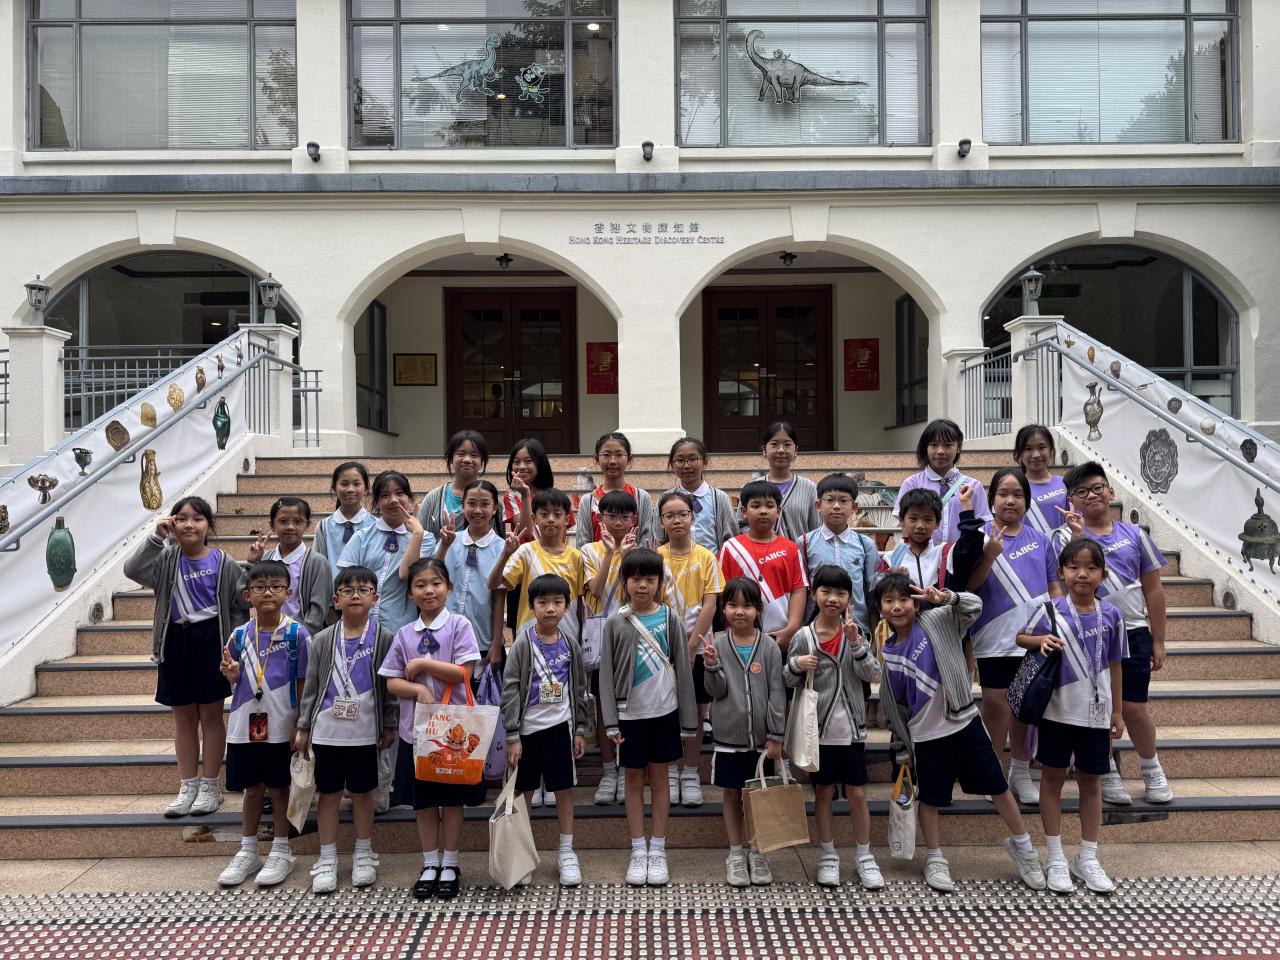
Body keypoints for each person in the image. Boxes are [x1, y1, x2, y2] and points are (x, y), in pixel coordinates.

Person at [874, 573, 1046, 894]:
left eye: (904, 599)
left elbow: (975, 606)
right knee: (931, 798)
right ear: (880, 608)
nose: (897, 606)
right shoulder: (890, 654)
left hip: (964, 722)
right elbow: (896, 707)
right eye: (889, 601)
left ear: (916, 602)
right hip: (925, 736)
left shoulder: (939, 619)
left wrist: (947, 597)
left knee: (998, 785)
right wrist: (903, 747)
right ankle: (935, 857)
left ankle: (1024, 847)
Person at [1053, 461, 1172, 806]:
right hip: (1086, 637)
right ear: (1072, 499)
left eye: (1096, 488)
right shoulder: (1063, 537)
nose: (1091, 495)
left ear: (1110, 491)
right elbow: (1063, 584)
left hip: (1132, 632)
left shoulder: (1135, 535)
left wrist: (1159, 639)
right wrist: (1077, 536)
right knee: (1098, 707)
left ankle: (1152, 770)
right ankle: (1106, 772)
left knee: (1134, 708)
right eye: (1081, 491)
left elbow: (1153, 589)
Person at [123, 496, 248, 819]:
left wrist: (253, 566)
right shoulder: (166, 558)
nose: (189, 524)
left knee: (211, 717)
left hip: (211, 641)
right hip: (175, 641)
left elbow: (241, 602)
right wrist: (156, 536)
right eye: (181, 518)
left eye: (197, 518)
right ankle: (188, 785)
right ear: (173, 524)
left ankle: (210, 786)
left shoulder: (223, 562)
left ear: (209, 525)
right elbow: (133, 569)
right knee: (183, 719)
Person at [1017, 538, 1128, 895]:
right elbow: (1020, 637)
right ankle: (1055, 856)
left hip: (1096, 714)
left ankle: (1088, 857)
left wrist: (1118, 711)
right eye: (1074, 567)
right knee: (1051, 779)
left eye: (1091, 568)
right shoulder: (1050, 609)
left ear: (1103, 575)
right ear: (1062, 572)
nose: (1082, 574)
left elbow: (1116, 664)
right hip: (1056, 711)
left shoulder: (1112, 615)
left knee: (1091, 782)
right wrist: (1039, 641)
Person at [378, 558, 483, 901]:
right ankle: (429, 863)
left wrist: (423, 664)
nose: (428, 591)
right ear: (410, 593)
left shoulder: (459, 625)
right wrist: (418, 689)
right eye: (420, 585)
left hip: (453, 736)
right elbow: (392, 681)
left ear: (449, 588)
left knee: (451, 801)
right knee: (422, 803)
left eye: (436, 583)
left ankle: (450, 862)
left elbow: (464, 672)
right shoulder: (404, 634)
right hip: (417, 733)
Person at [293, 565, 398, 894]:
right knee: (329, 796)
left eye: (363, 590)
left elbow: (389, 688)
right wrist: (303, 725)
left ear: (375, 598)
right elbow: (311, 687)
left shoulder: (384, 638)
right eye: (348, 590)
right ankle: (327, 857)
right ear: (335, 599)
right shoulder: (322, 639)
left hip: (365, 733)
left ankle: (364, 852)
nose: (355, 595)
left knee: (363, 795)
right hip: (327, 732)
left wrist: (390, 723)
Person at [599, 548, 700, 888]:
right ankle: (637, 849)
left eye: (649, 579)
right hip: (629, 716)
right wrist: (611, 722)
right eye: (635, 578)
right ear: (624, 581)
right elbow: (605, 675)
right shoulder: (615, 621)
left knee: (660, 779)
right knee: (632, 780)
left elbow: (683, 668)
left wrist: (688, 719)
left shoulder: (670, 618)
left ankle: (658, 848)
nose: (642, 585)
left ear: (660, 582)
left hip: (664, 713)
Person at [784, 565, 883, 890]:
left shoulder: (857, 632)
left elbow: (873, 674)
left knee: (857, 793)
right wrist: (797, 664)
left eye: (840, 593)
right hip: (818, 732)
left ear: (849, 598)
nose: (832, 598)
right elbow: (787, 678)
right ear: (814, 594)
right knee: (824, 792)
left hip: (852, 730)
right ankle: (828, 855)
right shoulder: (804, 636)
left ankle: (864, 856)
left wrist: (856, 645)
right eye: (825, 591)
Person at [965, 467, 1057, 806]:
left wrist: (1061, 620)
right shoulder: (977, 536)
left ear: (1027, 501)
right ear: (991, 499)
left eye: (1018, 495)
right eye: (1003, 494)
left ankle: (1020, 770)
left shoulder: (1041, 540)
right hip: (993, 634)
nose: (1010, 500)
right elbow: (969, 585)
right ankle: (994, 772)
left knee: (1026, 705)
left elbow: (1054, 585)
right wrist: (989, 554)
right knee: (995, 704)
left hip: (1036, 634)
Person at [215, 560, 311, 888]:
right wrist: (232, 676)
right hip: (245, 726)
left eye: (275, 586)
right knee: (252, 788)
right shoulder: (240, 635)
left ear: (288, 593)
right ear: (247, 595)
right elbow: (235, 679)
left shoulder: (297, 634)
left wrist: (301, 724)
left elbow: (305, 683)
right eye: (259, 587)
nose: (267, 592)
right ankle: (248, 850)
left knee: (280, 788)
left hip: (282, 726)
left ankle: (282, 850)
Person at [500, 573, 590, 888]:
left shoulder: (570, 644)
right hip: (527, 733)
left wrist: (579, 729)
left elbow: (579, 689)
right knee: (525, 793)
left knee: (563, 791)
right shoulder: (522, 643)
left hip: (560, 729)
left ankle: (566, 851)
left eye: (557, 602)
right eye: (542, 602)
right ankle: (524, 854)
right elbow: (510, 690)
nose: (550, 608)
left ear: (567, 607)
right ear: (531, 606)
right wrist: (512, 735)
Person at [701, 577, 784, 888]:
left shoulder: (770, 646)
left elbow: (777, 692)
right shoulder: (719, 645)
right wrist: (711, 666)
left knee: (758, 796)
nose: (740, 611)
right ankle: (735, 853)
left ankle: (757, 851)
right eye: (733, 605)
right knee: (732, 793)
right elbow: (716, 691)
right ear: (723, 609)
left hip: (762, 742)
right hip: (728, 739)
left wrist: (776, 734)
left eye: (747, 605)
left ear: (758, 609)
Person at [657, 490, 724, 809]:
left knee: (696, 710)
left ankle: (691, 773)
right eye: (669, 516)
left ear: (692, 517)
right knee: (666, 710)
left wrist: (693, 643)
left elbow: (711, 604)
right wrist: (674, 642)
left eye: (682, 514)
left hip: (698, 647)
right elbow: (651, 602)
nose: (677, 520)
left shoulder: (706, 557)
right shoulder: (656, 558)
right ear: (661, 521)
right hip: (662, 646)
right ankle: (671, 771)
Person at [580, 489, 639, 808]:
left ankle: (627, 769)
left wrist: (626, 556)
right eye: (611, 515)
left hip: (634, 637)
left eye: (624, 516)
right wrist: (609, 554)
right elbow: (597, 589)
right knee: (604, 707)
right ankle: (607, 771)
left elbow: (637, 593)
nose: (617, 522)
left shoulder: (640, 552)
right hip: (601, 637)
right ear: (600, 518)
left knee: (631, 705)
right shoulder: (588, 551)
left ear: (633, 520)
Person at [338, 470, 438, 633]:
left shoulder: (425, 538)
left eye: (399, 493)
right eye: (385, 495)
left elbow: (407, 575)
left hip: (400, 628)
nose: (393, 500)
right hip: (360, 626)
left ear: (409, 498)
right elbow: (346, 581)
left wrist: (416, 535)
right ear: (376, 502)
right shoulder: (362, 537)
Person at [717, 480, 808, 650]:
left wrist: (791, 628)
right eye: (756, 506)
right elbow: (722, 592)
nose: (763, 511)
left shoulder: (791, 548)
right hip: (739, 638)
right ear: (744, 511)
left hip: (780, 637)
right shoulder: (730, 548)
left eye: (770, 506)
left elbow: (798, 589)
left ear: (778, 511)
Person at [494, 488, 585, 645]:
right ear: (533, 518)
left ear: (567, 519)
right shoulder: (525, 552)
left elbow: (579, 604)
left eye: (557, 514)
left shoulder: (576, 556)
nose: (551, 519)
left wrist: (581, 636)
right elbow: (495, 584)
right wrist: (505, 555)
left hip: (568, 638)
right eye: (544, 514)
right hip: (530, 640)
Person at [437, 479, 507, 668]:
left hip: (481, 639)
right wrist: (444, 546)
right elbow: (432, 576)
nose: (477, 510)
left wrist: (496, 643)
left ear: (494, 509)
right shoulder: (450, 539)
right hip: (444, 635)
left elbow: (499, 598)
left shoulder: (502, 548)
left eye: (484, 504)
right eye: (471, 503)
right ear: (463, 507)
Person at [798, 473, 880, 635]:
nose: (836, 506)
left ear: (854, 506)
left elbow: (872, 594)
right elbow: (801, 591)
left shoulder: (866, 545)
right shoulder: (804, 542)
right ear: (818, 505)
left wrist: (874, 635)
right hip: (816, 631)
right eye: (829, 500)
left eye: (843, 501)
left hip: (858, 628)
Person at [892, 418, 991, 544]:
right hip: (924, 555)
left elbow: (983, 527)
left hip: (961, 555)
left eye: (948, 445)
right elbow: (905, 528)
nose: (940, 451)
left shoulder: (973, 486)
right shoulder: (912, 484)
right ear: (925, 447)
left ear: (958, 447)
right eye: (933, 445)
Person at [249, 496, 333, 637]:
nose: (290, 527)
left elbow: (318, 610)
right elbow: (244, 599)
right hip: (265, 637)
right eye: (283, 521)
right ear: (272, 525)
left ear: (307, 525)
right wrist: (251, 563)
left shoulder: (317, 562)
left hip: (299, 639)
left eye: (298, 521)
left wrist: (299, 637)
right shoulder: (264, 558)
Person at [576, 431, 658, 547]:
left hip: (634, 559)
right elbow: (583, 544)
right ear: (597, 459)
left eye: (619, 455)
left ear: (629, 459)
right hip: (598, 559)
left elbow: (646, 540)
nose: (613, 461)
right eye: (606, 455)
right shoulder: (587, 500)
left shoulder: (641, 497)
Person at [665, 436, 739, 551]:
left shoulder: (720, 498)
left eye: (693, 459)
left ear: (704, 462)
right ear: (672, 465)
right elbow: (658, 537)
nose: (686, 465)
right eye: (680, 461)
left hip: (713, 561)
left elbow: (731, 539)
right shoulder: (666, 499)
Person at [313, 461, 376, 585]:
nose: (350, 489)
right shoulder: (323, 527)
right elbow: (318, 565)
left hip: (367, 594)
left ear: (366, 489)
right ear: (334, 489)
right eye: (344, 484)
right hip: (333, 594)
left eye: (356, 484)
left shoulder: (375, 525)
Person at [418, 430, 490, 538]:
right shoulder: (432, 499)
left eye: (474, 455)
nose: (467, 460)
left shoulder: (490, 500)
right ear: (451, 458)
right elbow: (421, 539)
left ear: (482, 461)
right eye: (461, 454)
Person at [759, 422, 819, 541]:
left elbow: (816, 529)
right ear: (764, 450)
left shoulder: (809, 488)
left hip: (800, 552)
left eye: (787, 444)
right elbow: (742, 526)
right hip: (761, 553)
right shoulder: (753, 487)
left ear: (796, 450)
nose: (781, 450)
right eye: (774, 444)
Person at [1014, 425, 1068, 536]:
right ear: (1019, 454)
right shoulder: (1014, 488)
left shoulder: (1065, 484)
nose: (1036, 455)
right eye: (1028, 449)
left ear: (1051, 450)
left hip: (1064, 545)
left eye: (1042, 447)